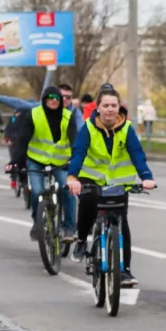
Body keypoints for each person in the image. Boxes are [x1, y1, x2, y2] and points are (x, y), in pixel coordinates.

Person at [66, 88, 156, 288]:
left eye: (114, 105)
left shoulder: (127, 128)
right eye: (105, 105)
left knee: (122, 224)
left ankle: (124, 271)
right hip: (92, 181)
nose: (110, 109)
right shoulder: (88, 128)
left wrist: (146, 177)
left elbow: (137, 154)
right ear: (98, 108)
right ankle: (81, 241)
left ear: (119, 107)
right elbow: (79, 153)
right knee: (88, 207)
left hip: (118, 184)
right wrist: (72, 177)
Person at [4, 86, 78, 241]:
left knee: (68, 188)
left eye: (57, 98)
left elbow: (74, 140)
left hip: (60, 161)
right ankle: (37, 222)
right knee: (37, 191)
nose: (53, 101)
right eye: (50, 98)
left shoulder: (68, 116)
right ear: (44, 99)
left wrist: (75, 158)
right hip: (36, 160)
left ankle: (69, 228)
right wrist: (15, 161)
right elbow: (23, 139)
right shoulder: (33, 114)